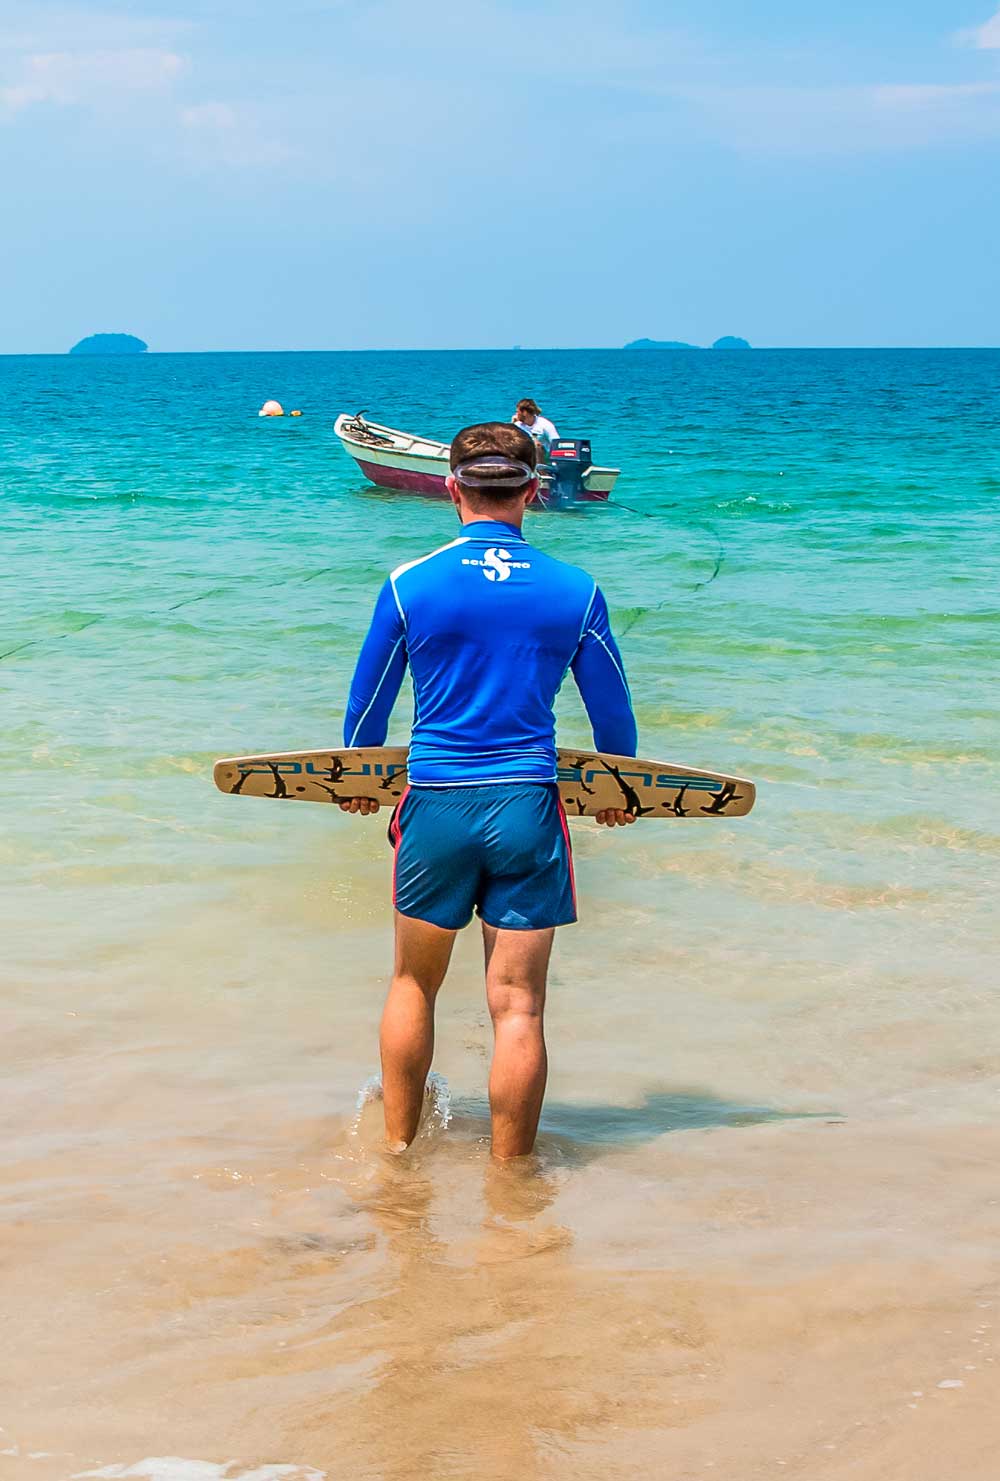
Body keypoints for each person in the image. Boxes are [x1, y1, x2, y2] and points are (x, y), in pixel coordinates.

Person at [340, 422, 637, 1159]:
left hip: (436, 804)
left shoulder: (411, 583)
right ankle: (513, 1179)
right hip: (527, 811)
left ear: (451, 487)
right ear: (533, 491)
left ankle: (400, 1154)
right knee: (518, 1006)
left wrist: (353, 775)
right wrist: (617, 785)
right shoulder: (577, 590)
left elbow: (368, 706)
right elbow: (613, 716)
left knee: (413, 984)